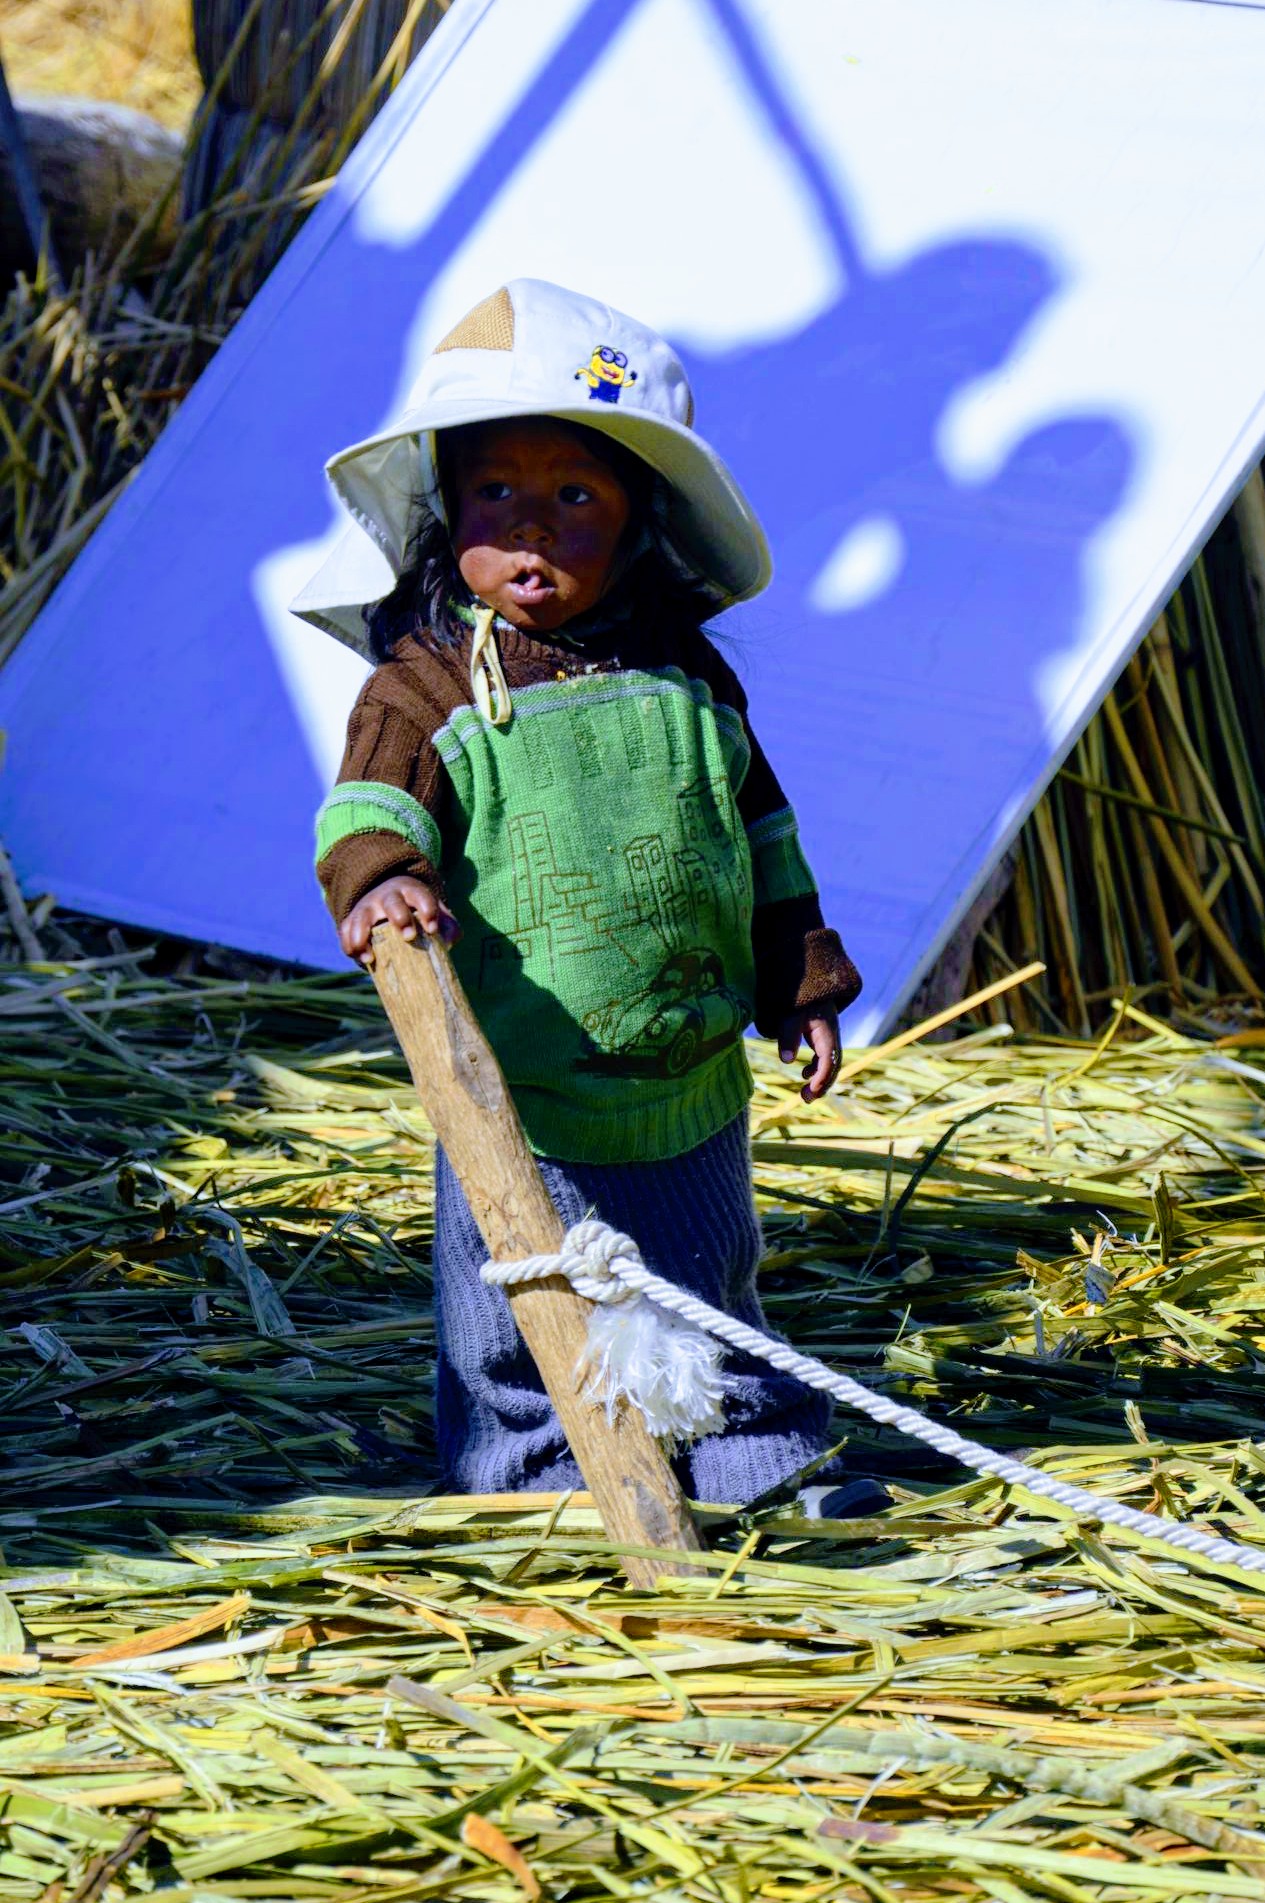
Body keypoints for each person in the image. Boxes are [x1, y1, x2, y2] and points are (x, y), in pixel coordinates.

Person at [295, 279, 881, 1512]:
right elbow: (366, 805)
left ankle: (753, 1466)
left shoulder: (686, 676)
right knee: (518, 1309)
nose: (530, 531)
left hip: (686, 1066)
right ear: (445, 510)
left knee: (708, 1282)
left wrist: (800, 981)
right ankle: (534, 1485)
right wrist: (385, 882)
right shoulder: (428, 683)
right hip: (521, 1088)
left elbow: (759, 834)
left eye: (573, 497)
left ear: (634, 520)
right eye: (495, 494)